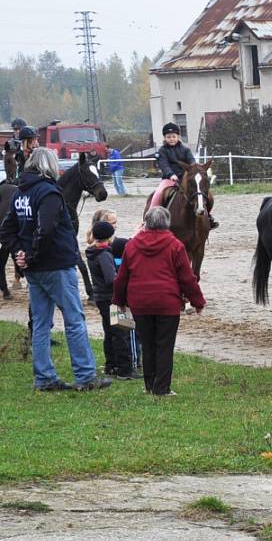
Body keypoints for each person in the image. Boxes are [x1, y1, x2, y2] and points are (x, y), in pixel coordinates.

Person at [0, 147, 112, 391]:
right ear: (49, 166)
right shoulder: (49, 192)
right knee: (74, 319)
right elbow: (47, 229)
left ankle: (44, 377)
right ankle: (85, 376)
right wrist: (30, 254)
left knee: (41, 323)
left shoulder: (20, 193)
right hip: (56, 265)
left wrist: (21, 253)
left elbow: (6, 230)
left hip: (33, 269)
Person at [112, 206, 206, 396]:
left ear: (146, 223)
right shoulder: (175, 245)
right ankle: (161, 388)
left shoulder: (132, 245)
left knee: (148, 344)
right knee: (164, 345)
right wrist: (198, 301)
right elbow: (186, 278)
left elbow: (122, 277)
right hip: (167, 303)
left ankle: (149, 385)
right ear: (167, 223)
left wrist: (119, 300)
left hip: (140, 303)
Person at [86, 220, 136, 379]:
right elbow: (111, 279)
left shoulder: (92, 251)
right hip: (111, 298)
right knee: (121, 332)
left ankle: (111, 365)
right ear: (109, 236)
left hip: (100, 297)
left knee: (109, 332)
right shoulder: (105, 254)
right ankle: (124, 369)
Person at [151, 122, 218, 229]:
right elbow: (164, 165)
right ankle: (151, 218)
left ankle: (208, 216)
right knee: (159, 193)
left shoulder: (185, 150)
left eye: (174, 136)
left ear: (178, 137)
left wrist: (194, 170)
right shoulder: (162, 151)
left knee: (207, 195)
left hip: (186, 178)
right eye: (168, 137)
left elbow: (191, 162)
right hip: (169, 179)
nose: (171, 139)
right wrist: (171, 174)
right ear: (165, 138)